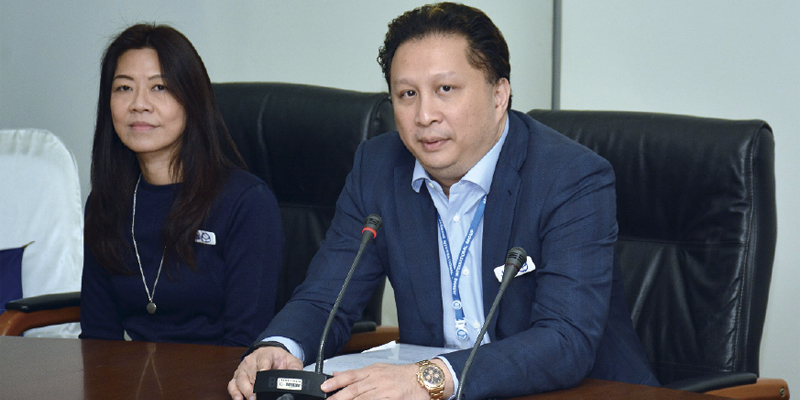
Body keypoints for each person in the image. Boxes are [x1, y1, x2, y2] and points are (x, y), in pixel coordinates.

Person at [229, 2, 659, 399]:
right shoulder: (378, 167)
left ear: (499, 95)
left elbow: (565, 340)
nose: (424, 116)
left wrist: (429, 378)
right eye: (407, 94)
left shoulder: (570, 176)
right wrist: (278, 347)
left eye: (446, 89)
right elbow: (326, 299)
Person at [80, 23, 284, 347]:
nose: (139, 104)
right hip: (130, 376)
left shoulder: (246, 203)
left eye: (159, 87)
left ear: (192, 99)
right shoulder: (106, 203)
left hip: (223, 375)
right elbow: (97, 340)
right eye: (124, 88)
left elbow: (245, 343)